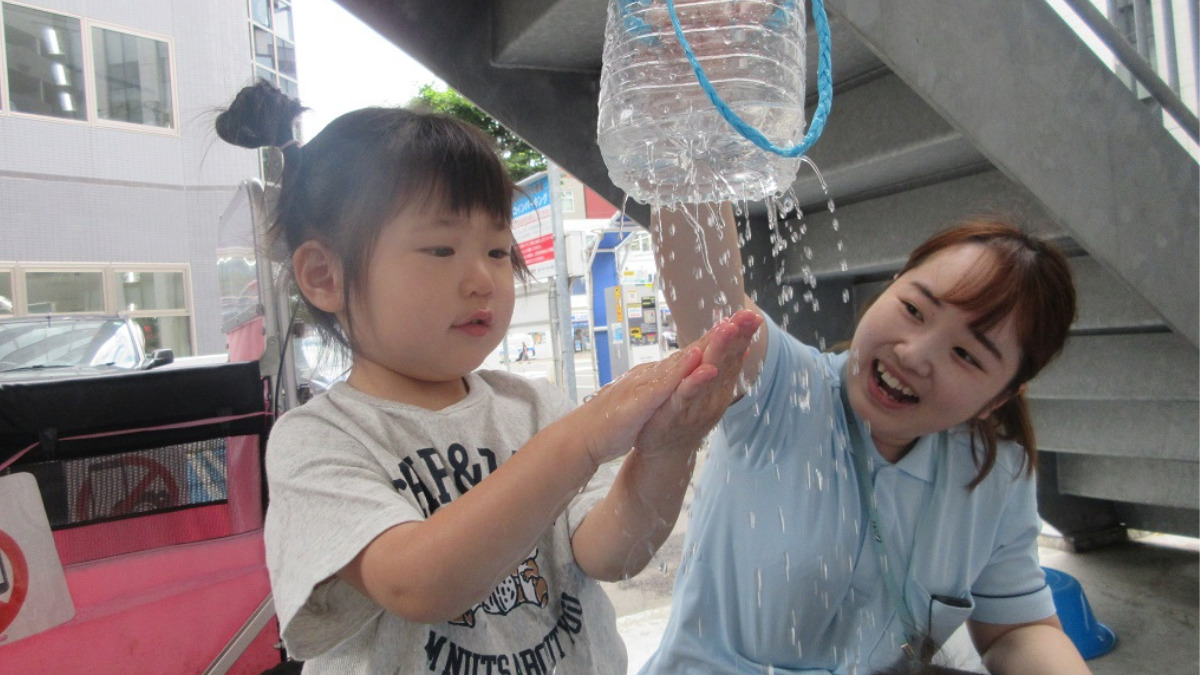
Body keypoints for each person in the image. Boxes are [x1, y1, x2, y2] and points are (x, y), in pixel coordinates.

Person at [214, 81, 762, 674]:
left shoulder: (534, 406)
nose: (482, 279)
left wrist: (669, 448)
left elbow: (611, 552)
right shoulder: (318, 439)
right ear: (324, 275)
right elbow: (416, 583)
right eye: (441, 250)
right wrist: (580, 440)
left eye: (499, 251)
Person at [640, 202, 1092, 675]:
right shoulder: (785, 390)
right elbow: (704, 285)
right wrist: (690, 144)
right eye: (914, 309)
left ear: (997, 399)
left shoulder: (994, 473)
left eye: (965, 354)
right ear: (891, 285)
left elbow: (1015, 631)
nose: (914, 354)